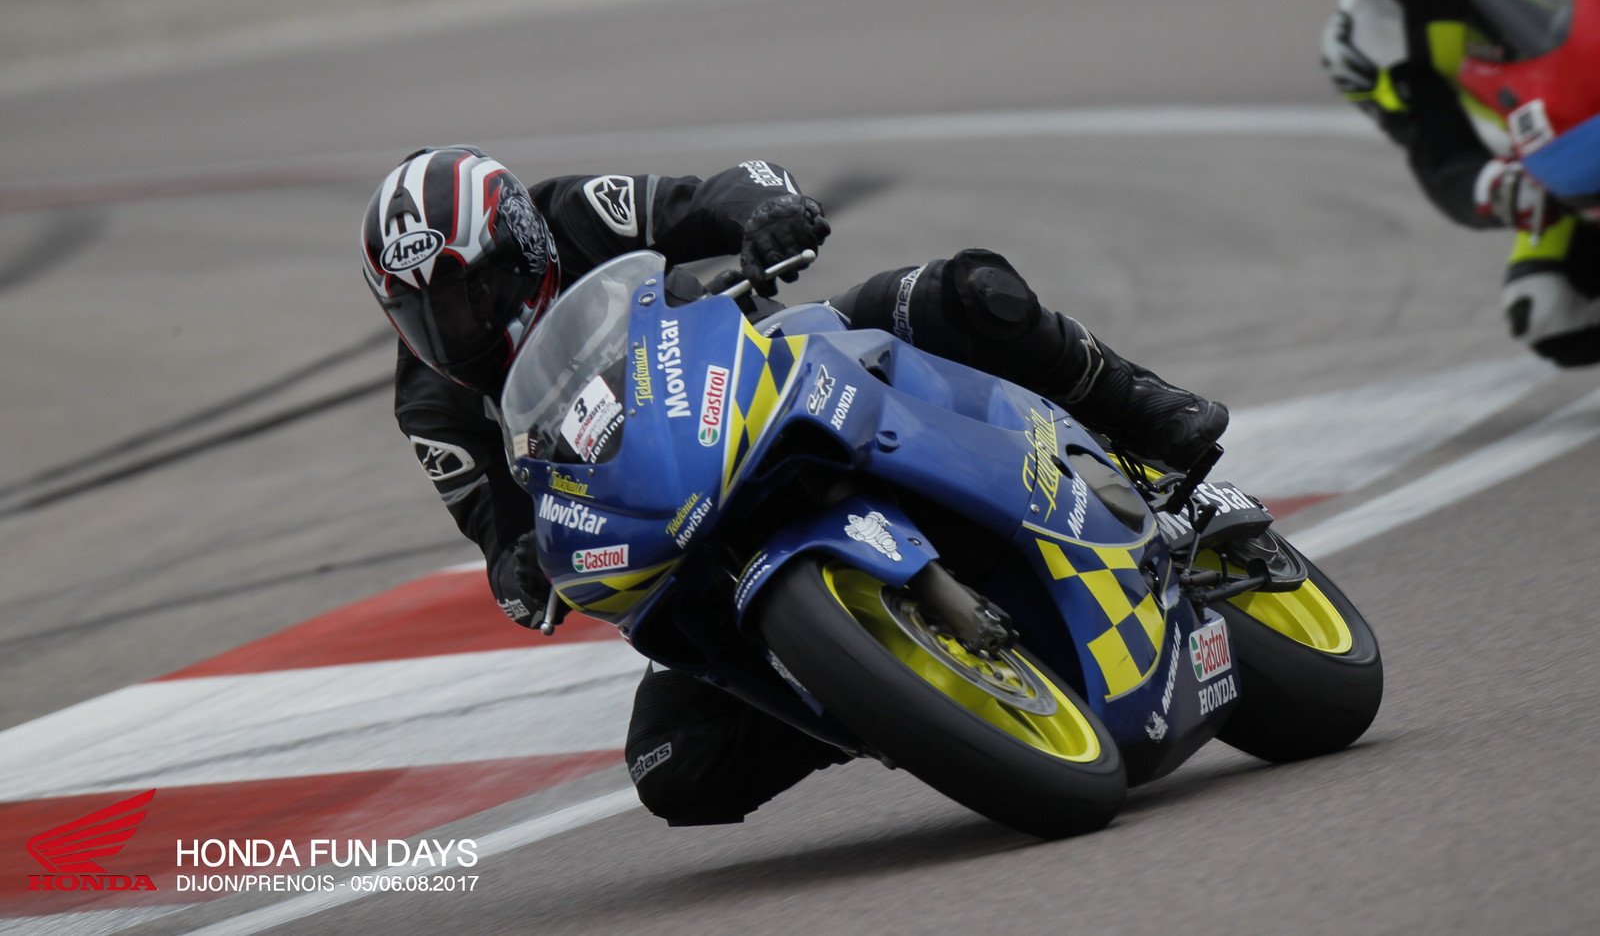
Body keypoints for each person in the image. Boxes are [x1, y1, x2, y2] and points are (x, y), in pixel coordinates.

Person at [360, 145, 1228, 826]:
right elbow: (502, 535)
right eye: (422, 314)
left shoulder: (574, 213)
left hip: (779, 370)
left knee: (965, 292)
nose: (454, 327)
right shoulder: (434, 409)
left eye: (470, 295)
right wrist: (520, 572)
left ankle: (1141, 411)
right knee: (674, 764)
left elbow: (714, 194)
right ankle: (879, 695)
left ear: (522, 248)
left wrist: (765, 214)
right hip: (675, 525)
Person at [1277, 0, 1600, 364]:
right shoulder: (1364, 42)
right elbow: (1441, 156)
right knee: (1547, 310)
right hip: (1564, 142)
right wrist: (1498, 188)